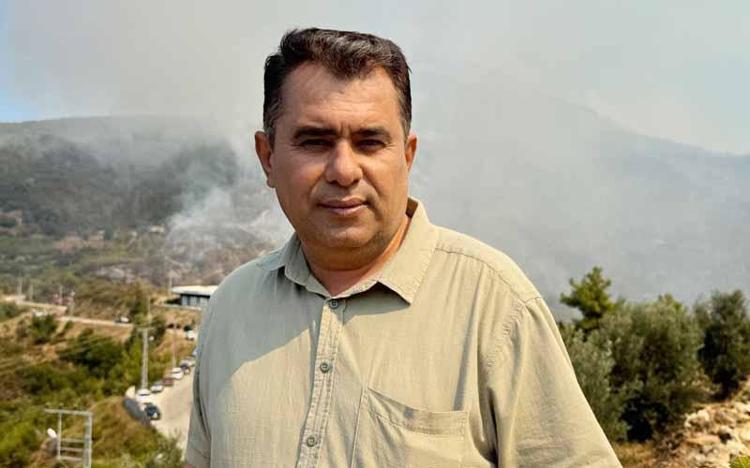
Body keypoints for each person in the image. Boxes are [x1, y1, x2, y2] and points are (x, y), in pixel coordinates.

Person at [185, 28, 620, 467]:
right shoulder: (231, 309)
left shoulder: (494, 306)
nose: (343, 170)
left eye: (370, 142)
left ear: (407, 156)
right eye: (315, 141)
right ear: (268, 157)